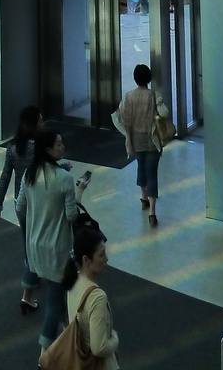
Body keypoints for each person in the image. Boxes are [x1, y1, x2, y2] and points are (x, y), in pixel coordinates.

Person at [17, 128, 88, 355]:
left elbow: (20, 208)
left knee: (55, 295)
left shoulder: (29, 174)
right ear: (48, 149)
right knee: (55, 301)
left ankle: (69, 330)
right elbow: (71, 216)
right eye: (59, 144)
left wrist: (31, 226)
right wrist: (80, 193)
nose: (63, 147)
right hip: (58, 249)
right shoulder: (65, 179)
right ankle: (43, 355)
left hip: (35, 245)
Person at [0, 104, 43, 313]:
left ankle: (33, 275)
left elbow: (6, 176)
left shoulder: (13, 147)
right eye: (41, 120)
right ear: (33, 125)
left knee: (27, 240)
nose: (44, 122)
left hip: (19, 203)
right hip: (37, 201)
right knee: (37, 245)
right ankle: (28, 289)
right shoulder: (39, 147)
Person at [117, 63, 170, 227]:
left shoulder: (128, 97)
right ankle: (152, 212)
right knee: (152, 172)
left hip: (136, 139)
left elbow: (121, 117)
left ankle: (143, 198)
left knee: (140, 167)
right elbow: (165, 113)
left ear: (135, 78)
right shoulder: (153, 95)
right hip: (153, 139)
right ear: (149, 78)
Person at [61, 228, 119, 369]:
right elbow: (99, 347)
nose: (106, 259)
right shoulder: (97, 297)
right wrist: (115, 338)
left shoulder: (73, 281)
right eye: (101, 254)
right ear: (86, 259)